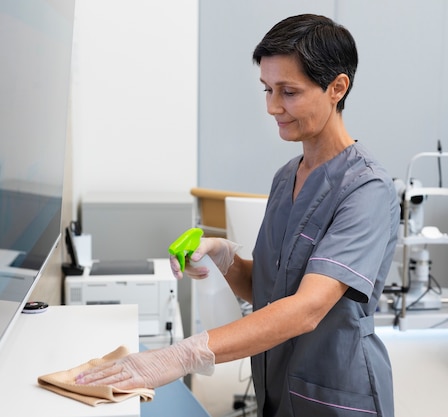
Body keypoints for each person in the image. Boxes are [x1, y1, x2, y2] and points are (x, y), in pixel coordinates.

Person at [76, 14, 399, 417]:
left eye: (288, 92)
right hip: (277, 378)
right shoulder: (287, 178)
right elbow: (267, 292)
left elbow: (307, 308)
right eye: (267, 90)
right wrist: (225, 258)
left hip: (334, 387)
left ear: (337, 87)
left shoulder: (366, 188)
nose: (272, 106)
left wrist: (183, 355)